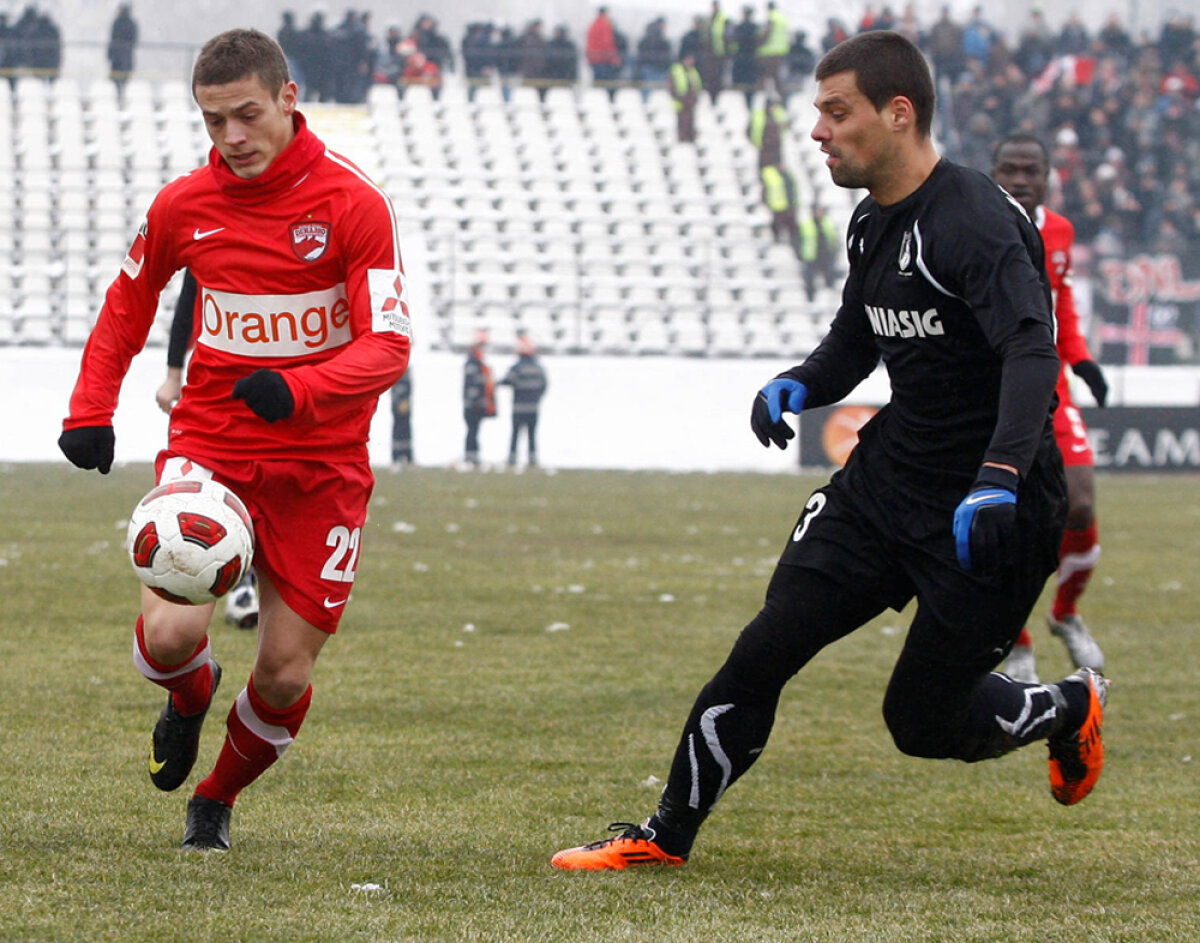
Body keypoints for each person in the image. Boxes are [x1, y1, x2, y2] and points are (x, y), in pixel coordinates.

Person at [550, 30, 1108, 872]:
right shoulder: (869, 224)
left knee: (920, 722)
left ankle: (1067, 706)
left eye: (834, 111)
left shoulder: (976, 222)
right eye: (818, 112)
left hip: (991, 508)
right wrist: (802, 382)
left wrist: (997, 477)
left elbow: (1032, 352)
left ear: (898, 112)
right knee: (766, 645)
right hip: (885, 485)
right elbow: (857, 338)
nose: (817, 130)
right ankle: (664, 836)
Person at [57, 28, 412, 851]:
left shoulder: (355, 205)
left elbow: (388, 343)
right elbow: (127, 302)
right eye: (213, 121)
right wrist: (89, 408)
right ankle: (188, 695)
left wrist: (299, 387)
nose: (231, 138)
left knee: (286, 672)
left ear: (288, 99)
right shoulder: (185, 204)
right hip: (211, 441)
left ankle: (215, 797)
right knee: (171, 635)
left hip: (321, 463)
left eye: (246, 115)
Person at [991, 133, 1109, 683]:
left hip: (1052, 386)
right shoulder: (976, 228)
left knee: (1079, 505)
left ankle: (1065, 613)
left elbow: (1060, 303)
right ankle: (1016, 639)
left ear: (1046, 178)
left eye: (1030, 171)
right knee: (1001, 515)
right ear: (992, 175)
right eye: (1009, 170)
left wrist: (1081, 360)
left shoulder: (1060, 231)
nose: (1019, 180)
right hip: (991, 391)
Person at [155, 269, 261, 631]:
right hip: (217, 396)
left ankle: (248, 586)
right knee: (222, 494)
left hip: (280, 394)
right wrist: (173, 373)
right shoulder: (211, 228)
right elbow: (188, 300)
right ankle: (240, 588)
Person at [499, 334, 548, 469]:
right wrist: (536, 398)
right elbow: (544, 386)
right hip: (533, 407)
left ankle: (512, 458)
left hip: (518, 407)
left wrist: (494, 383)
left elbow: (507, 381)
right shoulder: (539, 368)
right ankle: (532, 458)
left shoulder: (517, 367)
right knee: (532, 435)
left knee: (515, 434)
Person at [463, 330, 496, 467]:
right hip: (472, 405)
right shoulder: (472, 363)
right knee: (472, 430)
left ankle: (473, 455)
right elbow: (472, 385)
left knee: (475, 430)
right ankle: (470, 455)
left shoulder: (478, 363)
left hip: (477, 404)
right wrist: (476, 401)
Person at [797, 203, 840, 301]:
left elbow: (833, 239)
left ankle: (830, 295)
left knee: (829, 276)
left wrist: (833, 252)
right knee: (810, 279)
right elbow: (799, 240)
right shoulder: (806, 224)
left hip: (825, 255)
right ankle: (810, 298)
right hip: (811, 256)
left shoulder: (828, 223)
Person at [107, 3, 138, 103]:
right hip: (122, 58)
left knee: (121, 80)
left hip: (120, 58)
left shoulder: (119, 23)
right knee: (121, 80)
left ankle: (121, 99)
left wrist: (111, 53)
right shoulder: (128, 23)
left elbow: (114, 40)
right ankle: (119, 99)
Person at [669, 51, 702, 144]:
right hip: (680, 103)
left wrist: (693, 99)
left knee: (690, 124)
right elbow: (672, 88)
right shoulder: (676, 70)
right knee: (682, 124)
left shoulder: (693, 71)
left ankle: (690, 140)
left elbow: (697, 87)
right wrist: (681, 99)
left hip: (690, 103)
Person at [391, 371, 413, 465]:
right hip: (397, 405)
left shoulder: (405, 372)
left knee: (405, 427)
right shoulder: (396, 371)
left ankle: (407, 456)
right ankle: (397, 456)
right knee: (399, 427)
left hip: (403, 403)